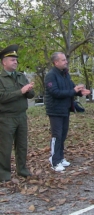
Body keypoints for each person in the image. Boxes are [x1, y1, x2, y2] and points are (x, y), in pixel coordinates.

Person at [44, 52, 90, 171]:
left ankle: (60, 157)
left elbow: (71, 89)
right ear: (56, 62)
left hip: (65, 109)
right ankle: (54, 161)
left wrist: (80, 91)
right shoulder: (51, 75)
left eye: (65, 60)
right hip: (55, 110)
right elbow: (55, 93)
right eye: (63, 60)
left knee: (63, 135)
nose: (66, 62)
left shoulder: (65, 74)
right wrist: (74, 90)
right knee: (57, 136)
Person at [0, 44, 35, 182]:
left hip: (21, 115)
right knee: (5, 147)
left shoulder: (21, 76)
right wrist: (21, 91)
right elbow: (2, 97)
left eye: (16, 60)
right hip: (6, 117)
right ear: (4, 62)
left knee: (22, 145)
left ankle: (22, 169)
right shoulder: (1, 79)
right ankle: (4, 174)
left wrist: (30, 90)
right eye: (12, 60)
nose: (15, 62)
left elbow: (30, 95)